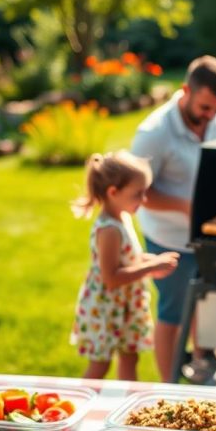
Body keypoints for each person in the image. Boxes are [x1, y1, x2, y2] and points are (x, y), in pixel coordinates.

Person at [131, 55, 216, 382]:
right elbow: (138, 192)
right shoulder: (154, 132)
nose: (211, 117)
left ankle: (202, 360)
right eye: (205, 108)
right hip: (169, 238)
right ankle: (170, 385)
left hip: (210, 235)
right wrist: (187, 207)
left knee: (207, 302)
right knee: (173, 313)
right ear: (185, 91)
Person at [71, 150, 179, 380]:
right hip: (106, 309)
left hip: (126, 307)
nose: (144, 200)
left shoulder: (123, 218)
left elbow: (129, 258)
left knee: (131, 357)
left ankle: (128, 408)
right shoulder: (109, 230)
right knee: (101, 364)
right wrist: (150, 268)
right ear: (113, 192)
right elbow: (112, 277)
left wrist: (153, 262)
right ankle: (80, 404)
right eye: (137, 194)